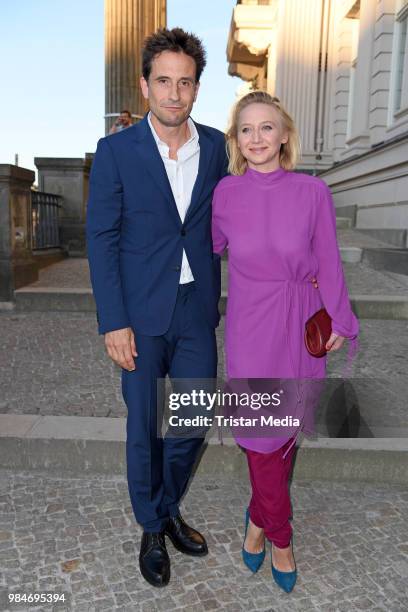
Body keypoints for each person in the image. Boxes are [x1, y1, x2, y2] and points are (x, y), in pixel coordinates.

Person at [86, 27, 228, 588]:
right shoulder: (117, 151)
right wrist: (113, 320)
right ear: (145, 86)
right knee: (143, 427)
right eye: (163, 81)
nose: (174, 93)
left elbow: (231, 215)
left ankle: (164, 507)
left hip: (195, 308)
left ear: (197, 88)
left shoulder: (217, 147)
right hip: (138, 315)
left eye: (185, 82)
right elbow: (102, 238)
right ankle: (151, 526)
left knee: (194, 418)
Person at [211, 91, 359, 593]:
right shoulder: (225, 194)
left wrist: (339, 316)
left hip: (299, 322)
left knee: (284, 430)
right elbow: (198, 247)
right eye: (246, 129)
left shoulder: (312, 192)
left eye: (266, 128)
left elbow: (329, 259)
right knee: (259, 437)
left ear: (284, 135)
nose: (257, 138)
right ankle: (280, 537)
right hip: (251, 326)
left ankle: (256, 519)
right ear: (236, 140)